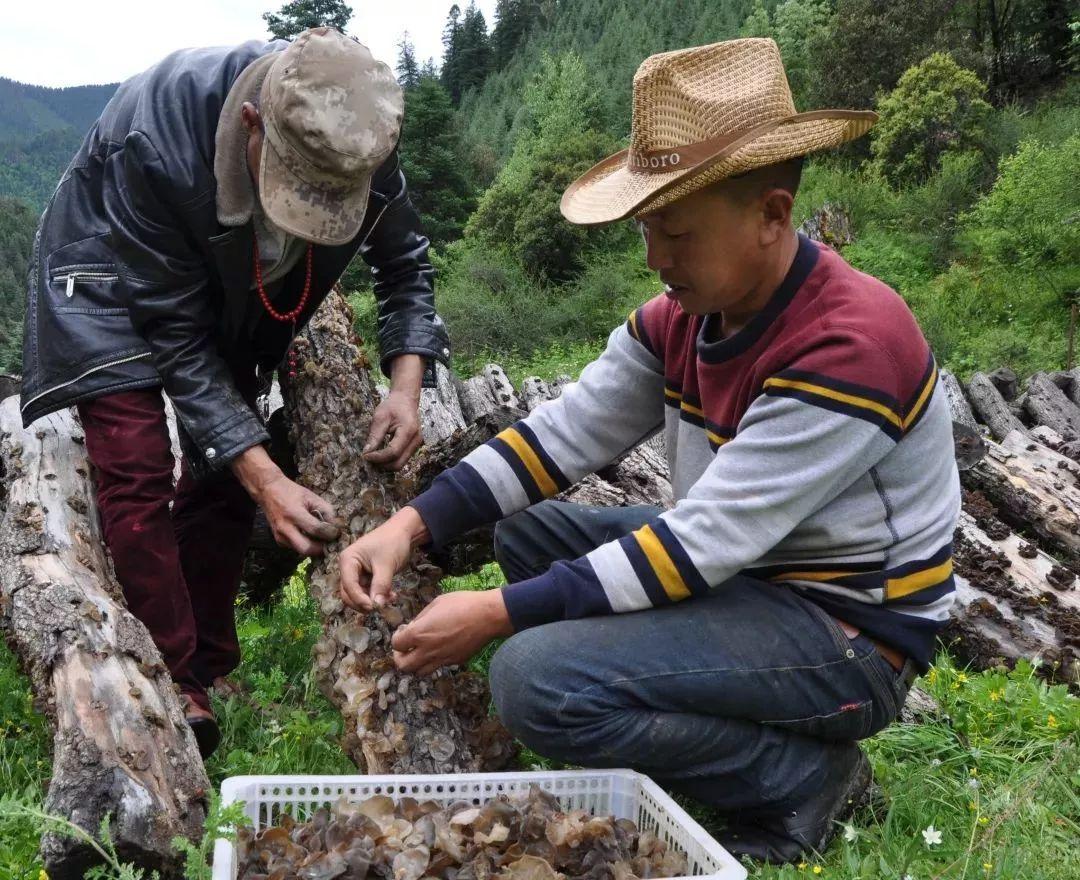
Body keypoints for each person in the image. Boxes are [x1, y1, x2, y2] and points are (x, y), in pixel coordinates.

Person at [336, 38, 961, 862]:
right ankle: (676, 707)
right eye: (647, 230)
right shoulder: (683, 316)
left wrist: (494, 615)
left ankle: (802, 779)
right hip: (758, 576)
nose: (656, 258)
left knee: (532, 681)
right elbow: (561, 436)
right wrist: (411, 525)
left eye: (678, 233)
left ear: (773, 215)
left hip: (847, 633)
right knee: (528, 535)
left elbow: (699, 545)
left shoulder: (850, 343)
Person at [19, 27, 450, 757]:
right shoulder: (157, 139)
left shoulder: (363, 133)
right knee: (136, 463)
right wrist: (270, 477)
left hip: (227, 275)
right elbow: (176, 340)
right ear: (255, 124)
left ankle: (208, 666)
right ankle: (170, 678)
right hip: (105, 265)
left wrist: (406, 384)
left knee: (224, 470)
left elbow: (404, 262)